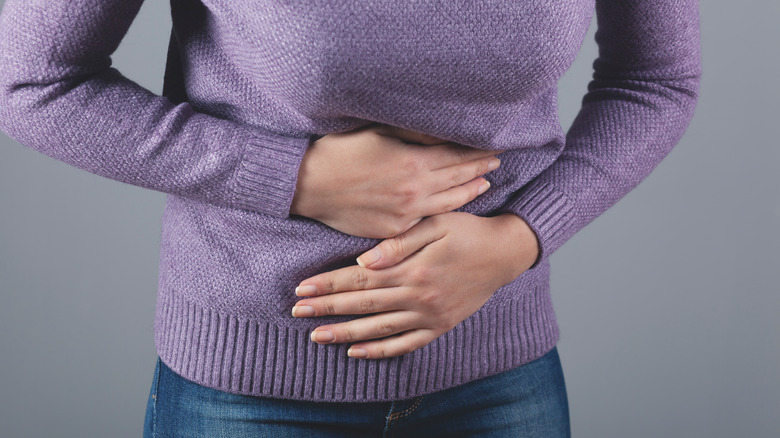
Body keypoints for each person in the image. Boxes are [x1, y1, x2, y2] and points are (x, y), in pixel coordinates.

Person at [0, 0, 701, 436]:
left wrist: (519, 239)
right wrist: (295, 179)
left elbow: (658, 79)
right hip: (249, 391)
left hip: (498, 382)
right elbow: (29, 81)